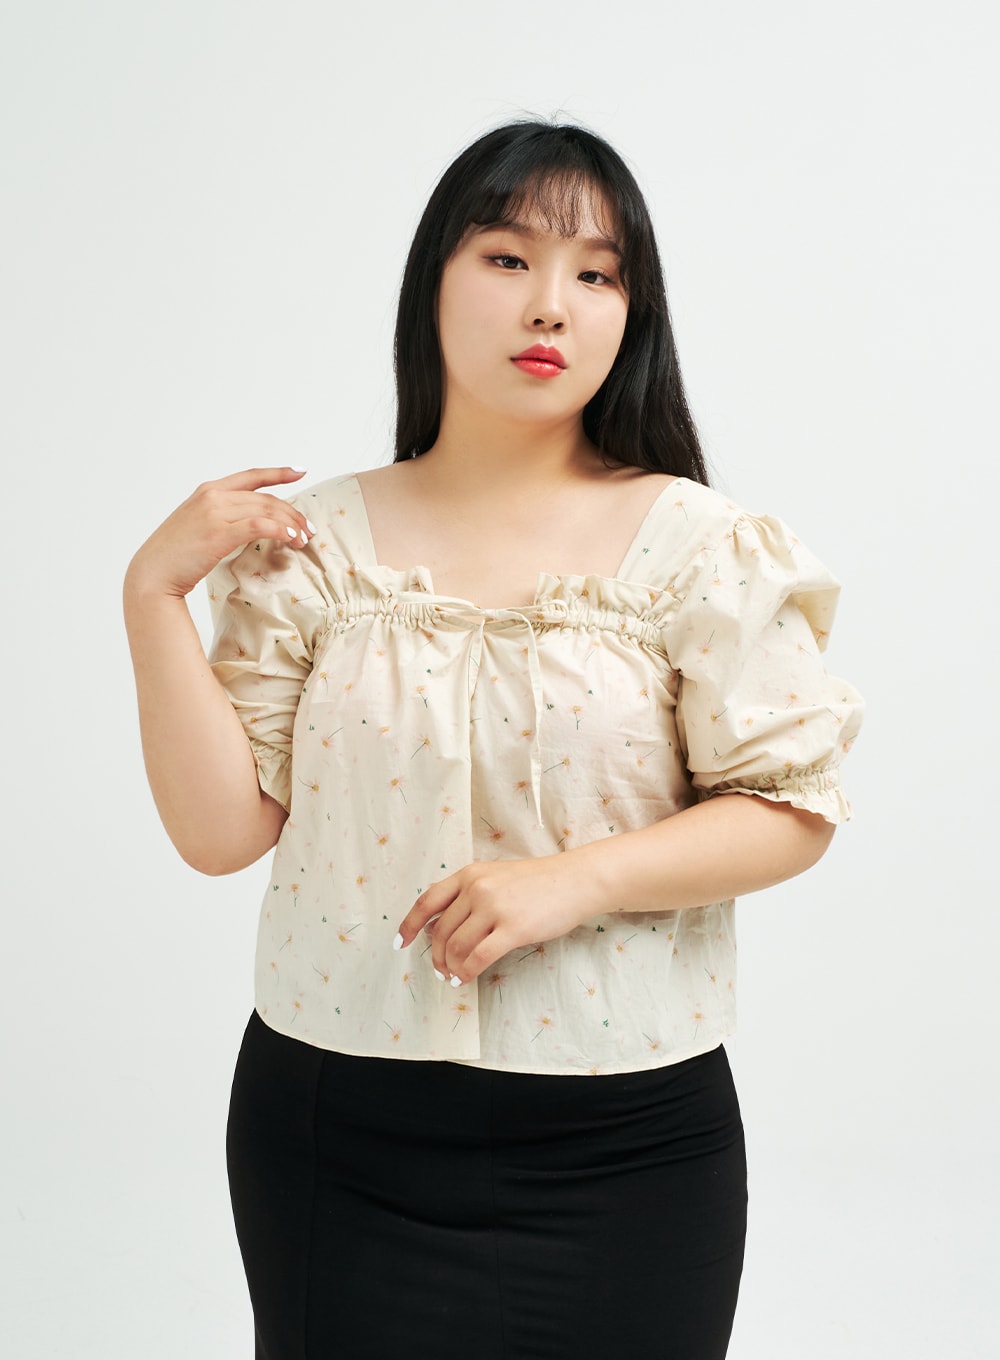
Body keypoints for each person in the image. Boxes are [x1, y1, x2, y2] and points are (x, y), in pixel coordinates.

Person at [124, 120, 863, 1359]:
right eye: (508, 258)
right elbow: (217, 833)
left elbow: (792, 805)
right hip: (335, 1127)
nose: (550, 304)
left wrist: (571, 883)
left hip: (628, 1141)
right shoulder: (310, 546)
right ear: (434, 281)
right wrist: (152, 595)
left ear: (632, 312)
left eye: (596, 273)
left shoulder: (699, 547)